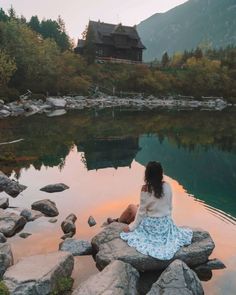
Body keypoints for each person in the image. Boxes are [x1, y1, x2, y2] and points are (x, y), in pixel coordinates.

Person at [110, 161, 193, 260]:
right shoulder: (167, 186)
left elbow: (141, 213)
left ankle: (117, 222)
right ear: (161, 174)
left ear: (147, 175)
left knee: (132, 207)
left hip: (152, 225)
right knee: (139, 205)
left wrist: (131, 228)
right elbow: (170, 207)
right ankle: (119, 220)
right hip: (165, 223)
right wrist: (168, 222)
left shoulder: (145, 189)